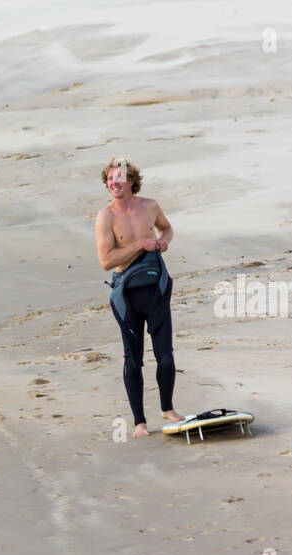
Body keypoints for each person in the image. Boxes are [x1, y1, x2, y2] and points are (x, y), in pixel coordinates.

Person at [94, 158, 183, 437]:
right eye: (109, 179)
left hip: (156, 289)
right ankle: (139, 423)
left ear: (131, 181)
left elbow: (166, 228)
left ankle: (167, 409)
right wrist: (139, 244)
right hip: (127, 296)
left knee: (165, 356)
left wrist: (164, 240)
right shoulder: (105, 217)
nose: (113, 183)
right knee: (133, 360)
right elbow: (106, 262)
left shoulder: (150, 206)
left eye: (118, 178)